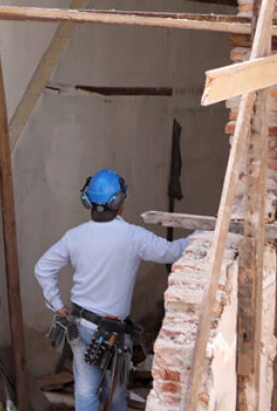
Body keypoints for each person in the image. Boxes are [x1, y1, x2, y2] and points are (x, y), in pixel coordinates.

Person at [34, 169, 192, 411]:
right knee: (116, 393)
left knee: (86, 392)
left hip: (81, 325)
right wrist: (202, 235)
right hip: (114, 332)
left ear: (87, 201)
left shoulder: (74, 236)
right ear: (119, 203)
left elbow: (43, 268)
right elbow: (171, 252)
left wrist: (58, 305)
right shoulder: (133, 237)